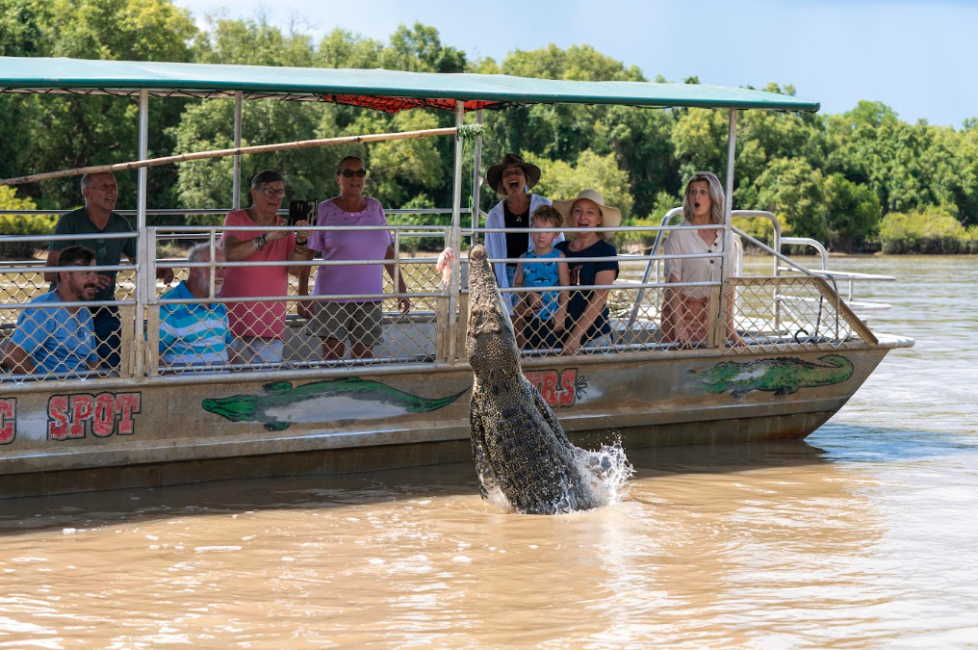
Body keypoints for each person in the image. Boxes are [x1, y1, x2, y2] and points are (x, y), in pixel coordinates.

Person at [46, 171, 174, 370]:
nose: (111, 191)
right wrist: (88, 278)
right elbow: (49, 272)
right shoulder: (69, 222)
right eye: (104, 186)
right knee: (69, 362)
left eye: (113, 186)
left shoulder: (120, 224)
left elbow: (138, 260)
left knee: (113, 358)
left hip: (104, 306)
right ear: (86, 193)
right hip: (68, 307)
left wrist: (159, 268)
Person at [302, 155, 409, 361]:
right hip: (332, 298)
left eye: (360, 173)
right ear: (338, 178)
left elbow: (387, 250)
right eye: (348, 173)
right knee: (332, 358)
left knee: (364, 359)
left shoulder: (376, 207)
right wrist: (302, 294)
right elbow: (309, 253)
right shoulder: (324, 209)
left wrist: (401, 289)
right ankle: (332, 393)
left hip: (370, 297)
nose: (355, 178)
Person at [220, 169, 312, 366]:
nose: (276, 197)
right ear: (254, 193)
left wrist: (301, 241)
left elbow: (295, 270)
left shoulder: (285, 227)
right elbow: (230, 254)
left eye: (280, 192)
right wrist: (266, 236)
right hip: (232, 320)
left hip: (269, 323)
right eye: (270, 191)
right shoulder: (235, 218)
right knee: (227, 381)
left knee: (266, 383)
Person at [662, 171, 744, 348]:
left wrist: (730, 328)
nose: (696, 196)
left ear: (713, 197)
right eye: (692, 191)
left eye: (702, 192)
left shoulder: (727, 236)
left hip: (713, 314)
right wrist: (679, 327)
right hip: (680, 312)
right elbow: (673, 286)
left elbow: (728, 287)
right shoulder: (678, 234)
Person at [3, 246, 100, 376]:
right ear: (65, 276)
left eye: (95, 273)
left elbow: (92, 365)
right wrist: (45, 389)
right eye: (86, 273)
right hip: (48, 393)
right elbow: (13, 356)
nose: (95, 280)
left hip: (76, 392)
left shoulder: (85, 313)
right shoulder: (44, 310)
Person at [483, 153, 558, 308]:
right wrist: (497, 288)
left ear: (525, 179)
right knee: (516, 323)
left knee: (542, 320)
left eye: (517, 172)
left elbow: (558, 242)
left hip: (541, 272)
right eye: (507, 174)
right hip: (508, 275)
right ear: (503, 183)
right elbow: (491, 256)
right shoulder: (494, 215)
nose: (512, 176)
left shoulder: (545, 206)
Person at [552, 190, 621, 356]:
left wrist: (576, 336)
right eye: (578, 211)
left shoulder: (605, 251)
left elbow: (599, 298)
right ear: (571, 216)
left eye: (590, 212)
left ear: (599, 220)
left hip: (594, 337)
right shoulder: (559, 249)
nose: (583, 217)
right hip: (557, 335)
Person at [158, 243, 234, 369]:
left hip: (222, 385)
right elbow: (151, 353)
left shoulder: (219, 304)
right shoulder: (170, 304)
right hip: (186, 385)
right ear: (194, 269)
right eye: (215, 267)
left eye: (224, 268)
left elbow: (227, 349)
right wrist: (175, 382)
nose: (221, 274)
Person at [512, 205, 569, 350]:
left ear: (556, 234)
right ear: (531, 231)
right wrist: (528, 293)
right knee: (530, 350)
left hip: (552, 317)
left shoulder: (559, 257)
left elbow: (565, 288)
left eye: (547, 231)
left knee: (550, 351)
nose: (541, 235)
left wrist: (561, 313)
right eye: (537, 229)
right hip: (530, 317)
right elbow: (517, 284)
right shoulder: (524, 258)